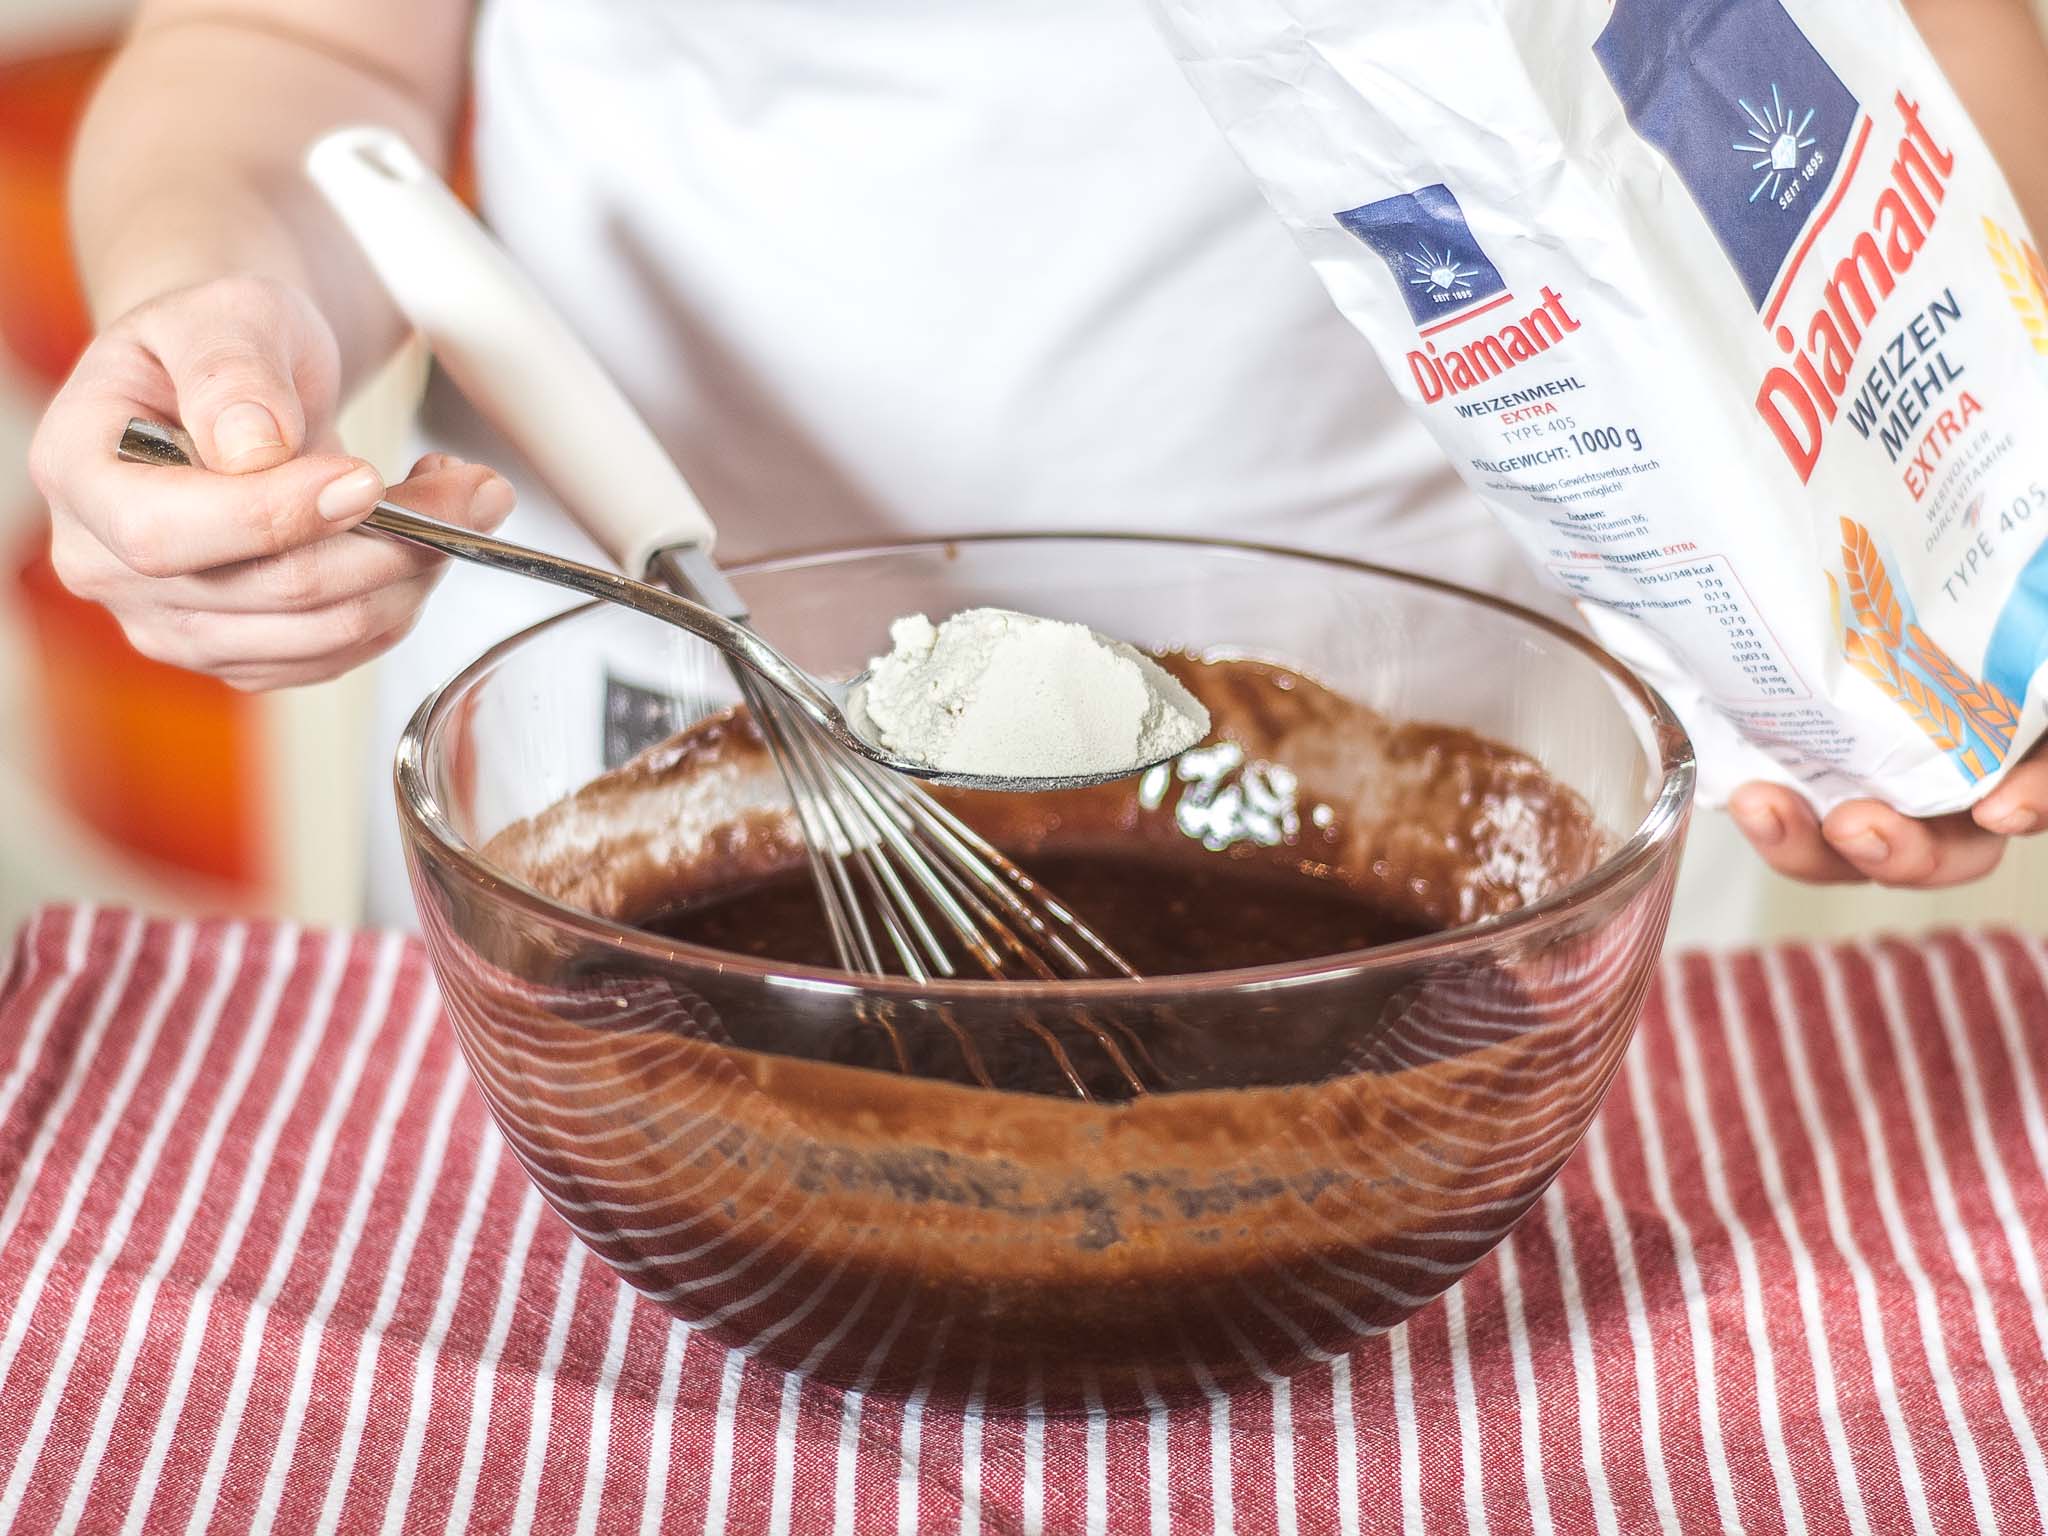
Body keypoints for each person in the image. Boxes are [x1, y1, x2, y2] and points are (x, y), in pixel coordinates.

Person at [27, 0, 2048, 918]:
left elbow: (1913, 55)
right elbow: (299, 50)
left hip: (1439, 785)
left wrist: (1951, 553)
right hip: (638, 770)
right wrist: (220, 311)